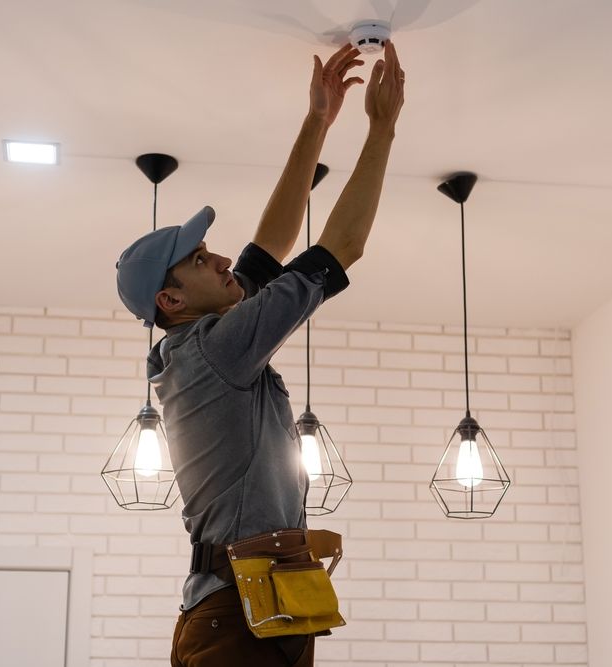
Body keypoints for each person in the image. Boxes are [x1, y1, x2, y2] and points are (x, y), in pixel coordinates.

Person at [115, 41, 405, 667]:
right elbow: (342, 248)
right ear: (170, 299)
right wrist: (382, 129)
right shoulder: (217, 348)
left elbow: (266, 249)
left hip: (260, 606)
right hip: (239, 619)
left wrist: (319, 121)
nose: (221, 260)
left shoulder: (203, 342)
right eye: (199, 260)